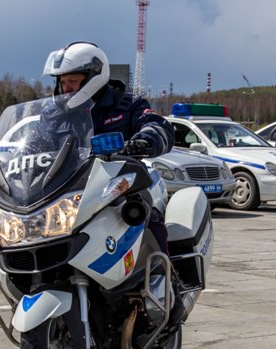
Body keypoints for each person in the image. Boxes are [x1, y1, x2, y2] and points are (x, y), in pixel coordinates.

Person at [44, 41, 184, 333]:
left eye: (72, 81)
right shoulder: (53, 114)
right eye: (63, 82)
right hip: (72, 193)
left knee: (146, 215)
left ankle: (170, 290)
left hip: (120, 188)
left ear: (93, 78)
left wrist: (147, 138)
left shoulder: (125, 105)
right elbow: (33, 145)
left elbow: (156, 125)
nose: (66, 88)